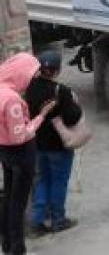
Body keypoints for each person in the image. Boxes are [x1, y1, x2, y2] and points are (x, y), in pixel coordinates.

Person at [0, 53, 56, 255]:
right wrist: (41, 116)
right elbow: (20, 135)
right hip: (20, 153)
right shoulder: (12, 100)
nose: (31, 81)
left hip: (4, 150)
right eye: (31, 76)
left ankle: (6, 243)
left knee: (8, 196)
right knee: (18, 202)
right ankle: (17, 248)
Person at [24, 50, 82, 237]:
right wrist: (74, 102)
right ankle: (58, 220)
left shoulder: (30, 87)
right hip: (58, 147)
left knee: (41, 181)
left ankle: (37, 221)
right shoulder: (61, 91)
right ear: (57, 70)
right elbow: (73, 118)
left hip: (38, 145)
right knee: (58, 182)